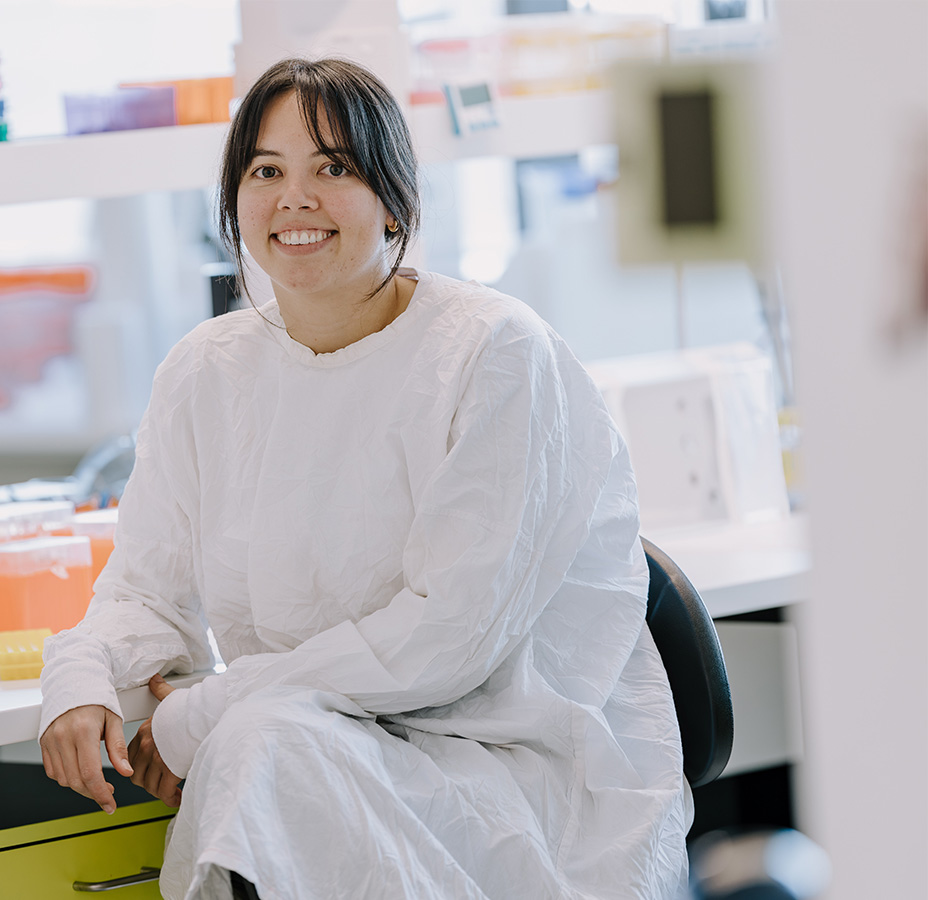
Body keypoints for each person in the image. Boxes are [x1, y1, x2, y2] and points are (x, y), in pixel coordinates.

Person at [38, 57, 691, 900]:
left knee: (264, 745)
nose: (293, 199)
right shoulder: (207, 370)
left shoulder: (495, 354)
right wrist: (81, 679)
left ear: (393, 199)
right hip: (301, 742)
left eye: (333, 168)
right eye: (266, 171)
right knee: (269, 745)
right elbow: (147, 588)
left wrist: (208, 711)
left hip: (501, 761)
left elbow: (446, 639)